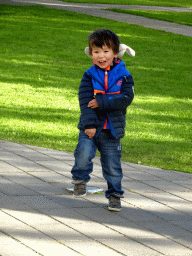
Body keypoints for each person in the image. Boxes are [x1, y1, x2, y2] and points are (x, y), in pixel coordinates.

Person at [71, 29, 135, 211]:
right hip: (90, 128)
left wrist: (101, 101)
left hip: (112, 130)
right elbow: (85, 102)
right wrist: (89, 125)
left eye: (106, 51)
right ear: (91, 54)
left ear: (115, 53)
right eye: (96, 51)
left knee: (112, 165)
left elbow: (125, 99)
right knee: (83, 156)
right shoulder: (89, 75)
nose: (101, 56)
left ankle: (115, 194)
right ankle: (79, 180)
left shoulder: (124, 76)